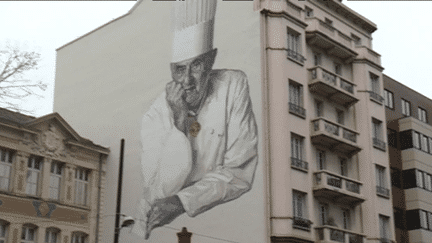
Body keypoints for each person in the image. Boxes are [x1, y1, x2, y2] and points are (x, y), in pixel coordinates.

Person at [132, 0, 258, 240]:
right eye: (179, 69)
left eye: (196, 65)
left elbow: (240, 172)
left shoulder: (233, 84)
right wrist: (180, 123)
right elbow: (161, 190)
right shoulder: (155, 115)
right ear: (171, 70)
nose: (187, 80)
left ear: (211, 60)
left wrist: (182, 201)